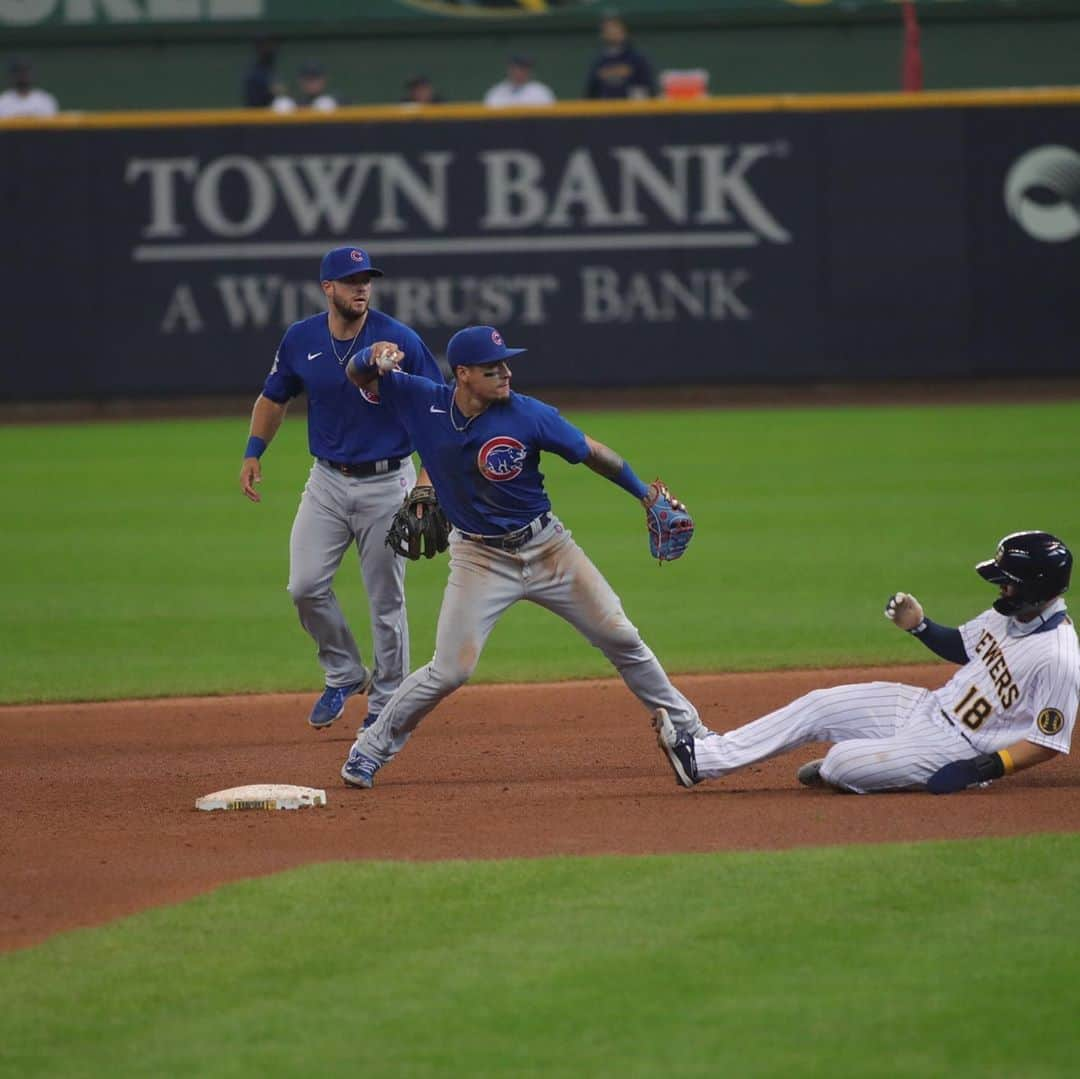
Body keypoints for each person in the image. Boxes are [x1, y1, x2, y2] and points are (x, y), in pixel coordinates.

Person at [337, 325, 706, 788]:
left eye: (507, 363)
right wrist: (370, 355)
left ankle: (692, 730)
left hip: (548, 549)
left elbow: (591, 452)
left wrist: (642, 494)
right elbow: (357, 377)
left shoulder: (528, 414)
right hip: (478, 558)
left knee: (622, 636)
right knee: (451, 669)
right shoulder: (419, 399)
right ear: (464, 374)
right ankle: (370, 748)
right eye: (494, 368)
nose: (507, 373)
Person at [654, 531, 1078, 795]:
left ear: (1037, 588)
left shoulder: (1057, 657)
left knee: (841, 763)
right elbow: (964, 648)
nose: (1001, 588)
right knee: (820, 705)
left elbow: (1047, 742)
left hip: (958, 747)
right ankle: (701, 760)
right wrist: (921, 626)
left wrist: (979, 769)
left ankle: (865, 766)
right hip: (926, 706)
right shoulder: (1011, 616)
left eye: (1008, 583)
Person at [239, 247, 443, 731]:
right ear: (327, 287)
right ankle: (345, 672)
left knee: (385, 602)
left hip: (388, 482)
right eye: (350, 280)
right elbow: (274, 397)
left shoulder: (400, 339)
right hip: (326, 481)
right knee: (304, 587)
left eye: (366, 279)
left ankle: (387, 704)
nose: (361, 288)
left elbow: (439, 413)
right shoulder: (301, 339)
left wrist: (425, 485)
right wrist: (253, 450)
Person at [584, 12, 657, 100]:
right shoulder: (599, 61)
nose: (612, 31)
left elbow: (648, 88)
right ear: (602, 34)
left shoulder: (636, 58)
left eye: (616, 27)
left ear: (624, 31)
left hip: (630, 110)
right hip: (605, 110)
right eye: (607, 28)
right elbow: (590, 93)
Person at [483, 55, 556, 108]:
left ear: (529, 71)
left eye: (523, 68)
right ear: (509, 70)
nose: (518, 72)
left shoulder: (541, 91)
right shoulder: (497, 91)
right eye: (515, 68)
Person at [271, 61, 339, 113]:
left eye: (315, 78)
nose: (312, 82)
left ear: (323, 80)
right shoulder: (290, 105)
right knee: (283, 104)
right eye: (308, 79)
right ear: (300, 81)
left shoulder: (334, 102)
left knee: (325, 104)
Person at [242, 37, 286, 108]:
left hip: (274, 112)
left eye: (271, 46)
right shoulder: (254, 73)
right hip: (257, 113)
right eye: (265, 46)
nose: (269, 49)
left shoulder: (272, 69)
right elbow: (253, 101)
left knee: (285, 103)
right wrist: (270, 91)